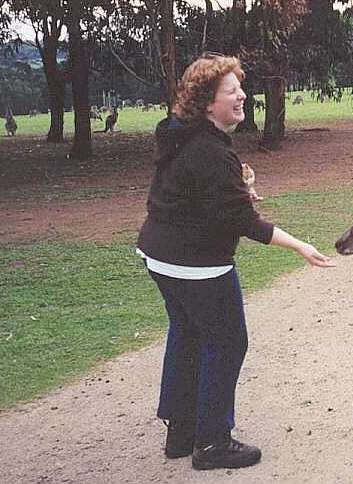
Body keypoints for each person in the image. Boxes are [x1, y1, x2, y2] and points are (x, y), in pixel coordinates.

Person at [136, 53, 335, 471]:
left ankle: (182, 431)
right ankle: (211, 443)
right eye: (232, 90)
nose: (243, 95)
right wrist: (300, 245)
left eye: (240, 87)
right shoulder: (209, 149)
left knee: (188, 333)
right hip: (197, 266)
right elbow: (242, 221)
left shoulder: (179, 135)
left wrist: (236, 191)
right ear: (209, 102)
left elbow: (197, 197)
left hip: (160, 257)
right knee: (227, 342)